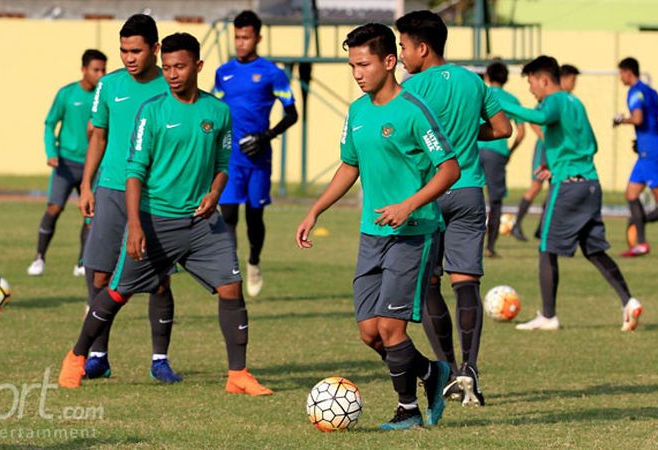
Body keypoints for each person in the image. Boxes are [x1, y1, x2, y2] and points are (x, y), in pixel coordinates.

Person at [60, 32, 273, 396]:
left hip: (203, 222)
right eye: (168, 67)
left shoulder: (218, 112)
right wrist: (136, 225)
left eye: (180, 66)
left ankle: (238, 374)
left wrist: (215, 192)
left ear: (198, 66)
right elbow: (134, 173)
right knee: (116, 292)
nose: (172, 74)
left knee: (231, 287)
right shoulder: (153, 112)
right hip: (156, 220)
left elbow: (223, 163)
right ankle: (77, 356)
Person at [296, 23, 457, 430]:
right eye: (352, 65)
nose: (357, 73)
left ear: (389, 62)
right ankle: (429, 373)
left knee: (390, 327)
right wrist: (316, 210)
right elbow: (349, 165)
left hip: (413, 233)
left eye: (363, 64)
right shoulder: (357, 111)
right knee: (370, 333)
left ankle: (408, 410)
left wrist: (409, 204)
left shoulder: (413, 110)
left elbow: (449, 169)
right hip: (373, 235)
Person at [396, 10, 512, 407]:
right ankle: (470, 371)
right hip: (467, 191)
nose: (401, 54)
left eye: (404, 46)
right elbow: (501, 129)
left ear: (422, 48)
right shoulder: (472, 80)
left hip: (427, 194)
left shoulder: (410, 89)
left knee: (429, 285)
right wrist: (464, 133)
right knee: (466, 284)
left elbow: (403, 140)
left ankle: (444, 368)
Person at [500, 56, 643, 332]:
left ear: (544, 80)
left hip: (568, 186)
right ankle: (629, 301)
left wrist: (504, 106)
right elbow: (592, 144)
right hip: (590, 184)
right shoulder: (575, 103)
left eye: (531, 83)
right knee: (594, 249)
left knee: (546, 247)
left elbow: (539, 118)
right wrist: (556, 163)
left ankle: (548, 315)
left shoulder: (552, 100)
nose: (531, 90)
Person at [76, 15, 179, 382]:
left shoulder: (171, 88)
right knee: (99, 275)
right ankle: (99, 356)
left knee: (159, 280)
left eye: (136, 50)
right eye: (123, 50)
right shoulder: (108, 86)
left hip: (156, 197)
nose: (128, 57)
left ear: (155, 49)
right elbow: (98, 139)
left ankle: (160, 360)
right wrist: (87, 185)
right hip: (111, 192)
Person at [214, 10, 299, 297]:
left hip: (258, 158)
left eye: (246, 37)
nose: (240, 42)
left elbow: (292, 114)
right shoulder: (222, 72)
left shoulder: (272, 73)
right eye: (237, 37)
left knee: (254, 218)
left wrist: (266, 136)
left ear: (258, 38)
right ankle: (231, 271)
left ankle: (253, 262)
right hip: (230, 159)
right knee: (227, 218)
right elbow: (214, 112)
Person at [27, 50, 107, 277]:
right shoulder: (67, 94)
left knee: (90, 214)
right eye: (96, 70)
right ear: (84, 70)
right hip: (65, 163)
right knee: (54, 208)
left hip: (93, 166)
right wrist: (51, 152)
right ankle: (39, 258)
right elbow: (49, 123)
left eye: (103, 69)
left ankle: (82, 262)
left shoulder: (106, 95)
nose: (101, 74)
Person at [614, 57, 658, 259]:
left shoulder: (635, 92)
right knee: (631, 194)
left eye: (621, 73)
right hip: (648, 150)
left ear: (628, 72)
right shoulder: (651, 91)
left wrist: (620, 120)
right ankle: (641, 244)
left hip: (650, 152)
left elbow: (637, 118)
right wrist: (653, 131)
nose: (620, 78)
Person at [512, 64, 578, 242]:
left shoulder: (567, 100)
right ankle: (516, 224)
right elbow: (535, 120)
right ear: (562, 79)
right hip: (545, 149)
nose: (574, 84)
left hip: (556, 151)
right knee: (536, 186)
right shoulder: (550, 100)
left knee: (555, 186)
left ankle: (542, 227)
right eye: (572, 80)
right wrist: (546, 138)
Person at [479, 61, 525, 256]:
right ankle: (490, 247)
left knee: (473, 196)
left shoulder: (480, 93)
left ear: (487, 77)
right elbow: (521, 133)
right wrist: (509, 152)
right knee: (495, 201)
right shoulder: (512, 99)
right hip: (497, 153)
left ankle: (472, 244)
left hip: (475, 148)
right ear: (506, 79)